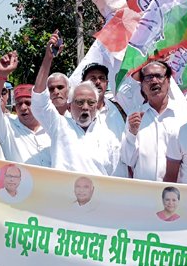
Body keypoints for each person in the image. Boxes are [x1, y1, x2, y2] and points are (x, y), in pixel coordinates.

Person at [31, 33, 121, 176]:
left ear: (96, 106)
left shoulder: (109, 135)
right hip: (64, 190)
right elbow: (39, 100)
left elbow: (115, 176)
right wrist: (48, 58)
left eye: (91, 103)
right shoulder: (59, 126)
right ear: (69, 106)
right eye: (79, 102)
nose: (85, 107)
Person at [121, 60, 187, 181]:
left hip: (177, 189)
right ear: (142, 85)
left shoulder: (185, 114)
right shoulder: (134, 116)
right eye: (148, 77)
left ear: (168, 81)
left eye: (159, 76)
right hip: (145, 189)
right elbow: (128, 160)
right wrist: (132, 133)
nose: (154, 81)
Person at [0, 51, 51, 167]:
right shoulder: (7, 127)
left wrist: (48, 57)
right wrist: (2, 75)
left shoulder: (52, 126)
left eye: (28, 103)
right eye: (19, 104)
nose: (23, 108)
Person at [82, 62, 126, 140]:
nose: (98, 82)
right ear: (83, 84)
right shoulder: (74, 112)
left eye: (101, 78)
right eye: (93, 78)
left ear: (106, 83)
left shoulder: (120, 110)